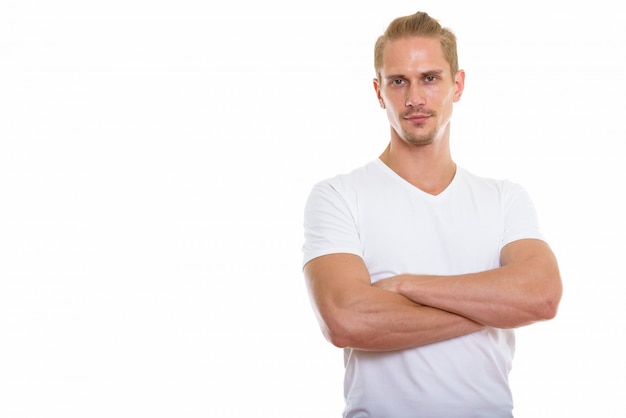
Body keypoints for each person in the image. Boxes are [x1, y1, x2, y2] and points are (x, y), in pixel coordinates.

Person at [301, 11, 563, 418]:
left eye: (430, 78)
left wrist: (405, 285)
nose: (414, 99)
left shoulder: (504, 199)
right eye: (398, 81)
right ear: (378, 91)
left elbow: (542, 297)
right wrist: (495, 305)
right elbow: (345, 319)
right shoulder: (338, 195)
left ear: (457, 85)